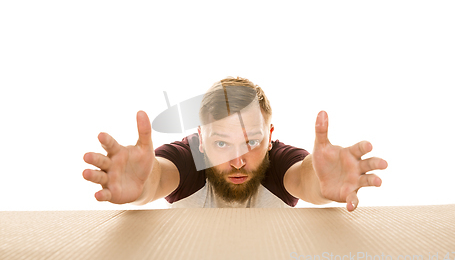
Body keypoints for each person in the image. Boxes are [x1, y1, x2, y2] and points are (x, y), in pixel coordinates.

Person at [82, 77, 388, 211]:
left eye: (251, 142)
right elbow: (158, 177)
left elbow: (305, 177)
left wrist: (322, 186)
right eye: (222, 144)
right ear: (200, 140)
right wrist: (141, 187)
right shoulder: (188, 161)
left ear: (269, 138)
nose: (239, 160)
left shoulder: (279, 162)